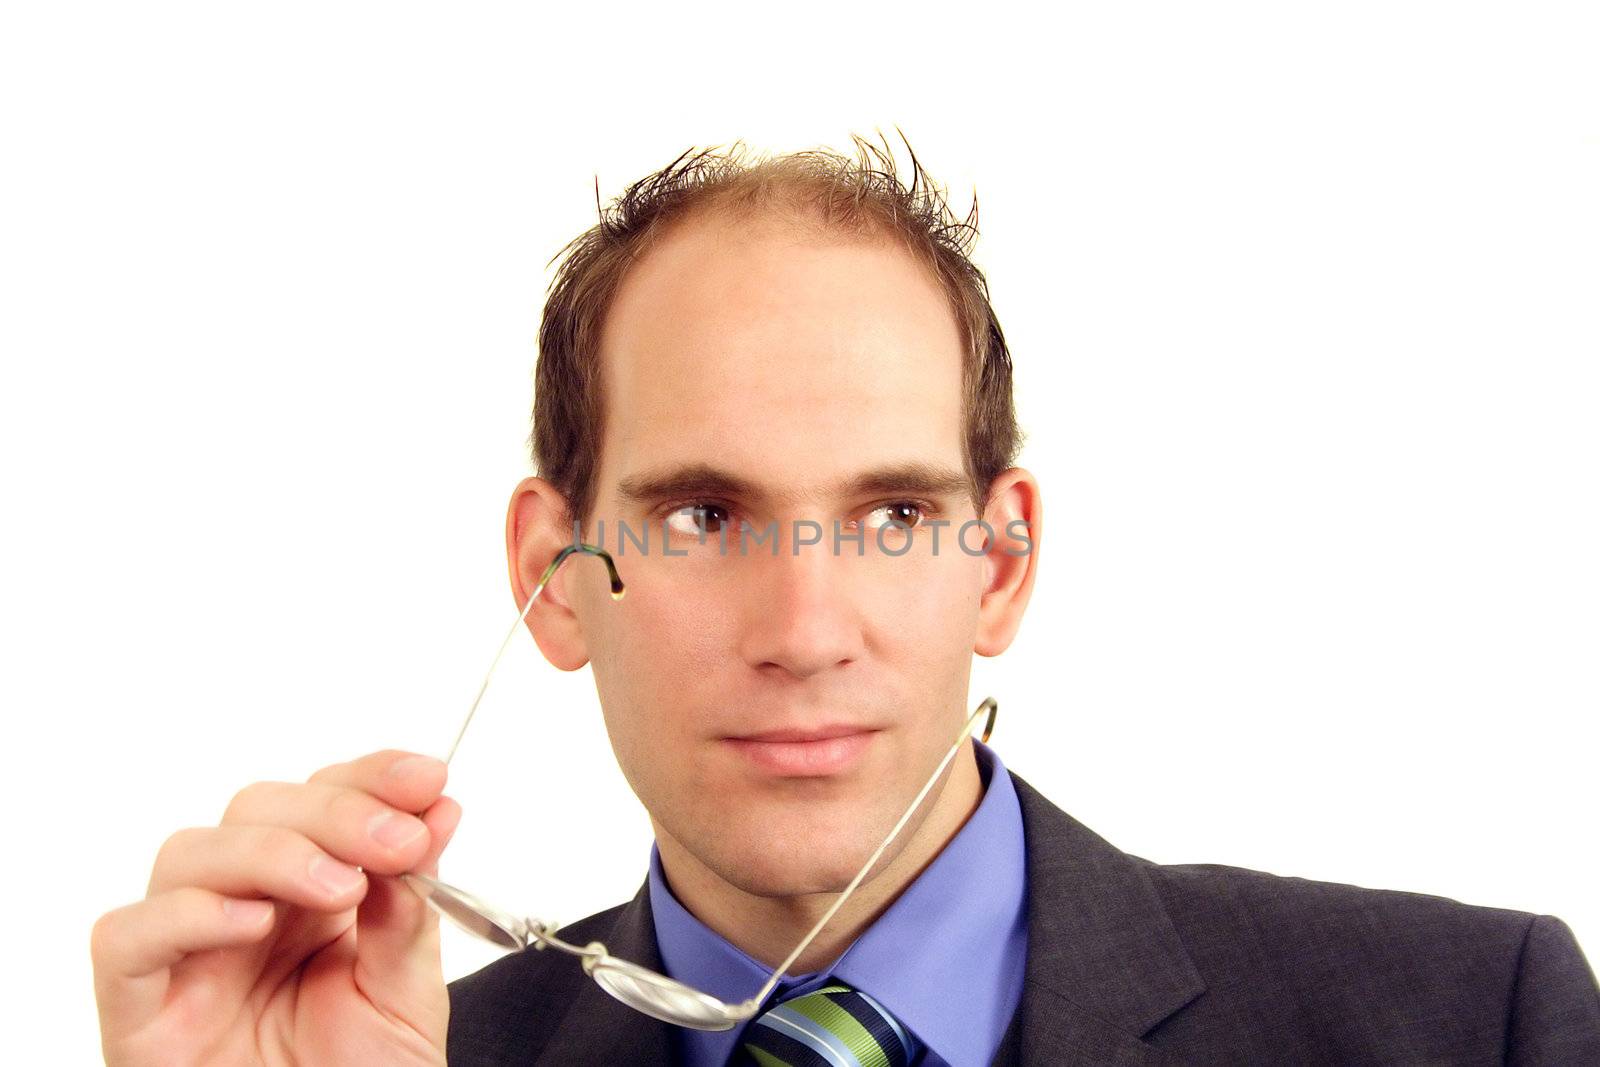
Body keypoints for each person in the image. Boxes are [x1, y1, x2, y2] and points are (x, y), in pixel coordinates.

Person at [91, 135, 1600, 1066]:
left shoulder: (1474, 1026)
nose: (806, 631)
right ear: (555, 581)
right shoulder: (401, 1062)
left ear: (1000, 563)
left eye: (891, 514)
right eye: (702, 514)